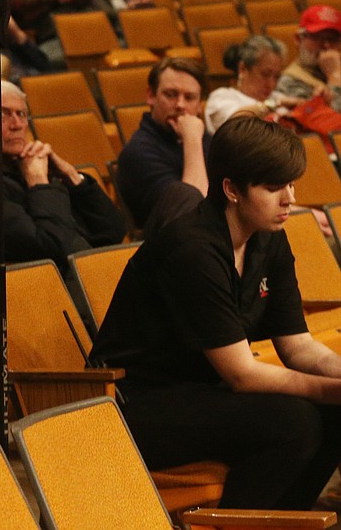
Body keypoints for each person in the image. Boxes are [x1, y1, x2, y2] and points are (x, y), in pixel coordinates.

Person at [92, 116, 341, 510]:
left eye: (291, 184)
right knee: (294, 422)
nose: (289, 199)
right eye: (273, 187)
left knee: (331, 416)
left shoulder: (268, 238)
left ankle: (284, 518)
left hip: (203, 392)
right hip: (136, 402)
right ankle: (231, 522)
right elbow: (241, 374)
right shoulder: (192, 248)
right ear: (231, 189)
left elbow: (299, 347)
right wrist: (333, 390)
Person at [0, 80, 124, 272]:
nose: (17, 125)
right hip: (36, 286)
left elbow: (113, 232)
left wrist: (72, 178)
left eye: (21, 114)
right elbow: (50, 248)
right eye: (2, 114)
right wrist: (40, 184)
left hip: (82, 272)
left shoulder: (23, 164)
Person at [116, 57, 210, 229]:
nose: (180, 105)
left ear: (200, 106)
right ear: (151, 96)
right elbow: (194, 214)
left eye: (189, 97)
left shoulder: (207, 139)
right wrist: (192, 141)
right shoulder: (138, 153)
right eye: (171, 95)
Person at [206, 35, 301, 133]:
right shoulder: (221, 97)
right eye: (265, 74)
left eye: (276, 76)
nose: (271, 84)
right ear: (243, 69)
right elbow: (234, 124)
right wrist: (274, 104)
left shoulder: (278, 97)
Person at [274, 5, 341, 111]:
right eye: (318, 38)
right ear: (298, 39)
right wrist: (335, 78)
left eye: (333, 39)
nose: (326, 45)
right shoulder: (289, 81)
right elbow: (330, 122)